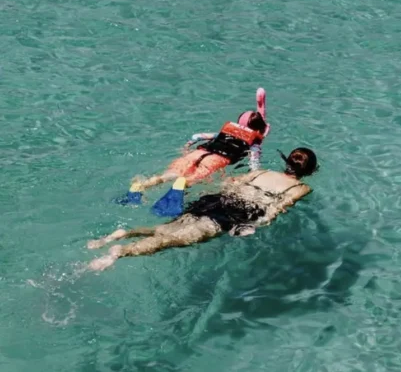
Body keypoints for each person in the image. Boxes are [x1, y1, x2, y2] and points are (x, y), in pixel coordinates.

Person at [88, 147, 318, 271]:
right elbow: (276, 209)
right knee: (175, 240)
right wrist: (253, 224)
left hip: (215, 199)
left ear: (286, 160)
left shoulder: (262, 172)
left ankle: (125, 233)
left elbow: (231, 183)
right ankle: (121, 251)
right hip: (236, 212)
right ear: (310, 170)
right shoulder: (301, 187)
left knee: (168, 229)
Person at [123, 89, 270, 203]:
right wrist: (253, 175)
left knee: (167, 175)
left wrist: (186, 147)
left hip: (198, 153)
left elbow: (197, 136)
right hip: (216, 160)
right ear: (258, 130)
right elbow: (254, 164)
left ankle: (142, 185)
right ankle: (183, 184)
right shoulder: (254, 145)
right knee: (190, 179)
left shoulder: (222, 133)